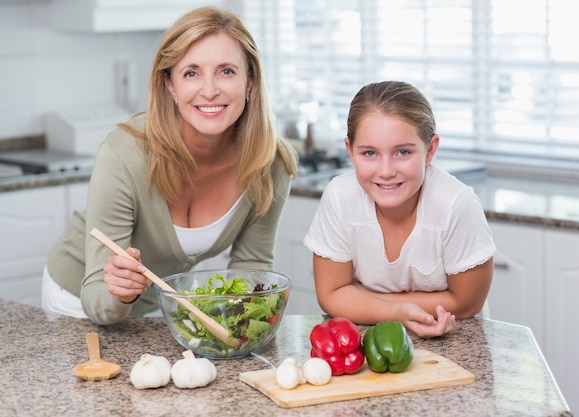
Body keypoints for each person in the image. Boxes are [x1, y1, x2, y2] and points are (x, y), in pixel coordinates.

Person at [41, 7, 299, 325]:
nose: (209, 90)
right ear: (171, 85)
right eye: (191, 72)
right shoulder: (125, 155)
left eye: (226, 71)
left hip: (154, 308)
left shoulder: (270, 163)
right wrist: (120, 292)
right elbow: (97, 297)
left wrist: (238, 329)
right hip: (78, 300)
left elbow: (252, 266)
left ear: (250, 82)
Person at [303, 81, 495, 338]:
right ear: (350, 151)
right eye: (369, 153)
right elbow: (330, 295)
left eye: (403, 152)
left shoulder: (456, 204)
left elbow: (466, 303)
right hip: (369, 344)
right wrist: (397, 312)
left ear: (430, 149)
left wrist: (361, 298)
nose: (386, 171)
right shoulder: (340, 197)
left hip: (453, 345)